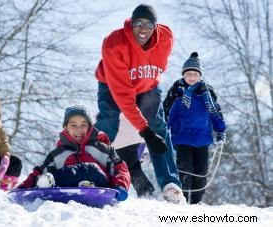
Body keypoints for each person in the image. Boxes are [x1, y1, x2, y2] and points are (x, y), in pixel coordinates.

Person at [94, 4, 184, 203]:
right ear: (131, 23)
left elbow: (158, 66)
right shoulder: (114, 43)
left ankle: (171, 185)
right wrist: (145, 132)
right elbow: (123, 95)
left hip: (146, 87)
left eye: (148, 24)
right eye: (138, 24)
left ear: (155, 26)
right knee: (108, 122)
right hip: (112, 83)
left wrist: (151, 129)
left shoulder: (166, 38)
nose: (143, 29)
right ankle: (90, 170)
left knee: (158, 126)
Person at [18, 105, 131, 202]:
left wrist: (120, 186)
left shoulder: (103, 149)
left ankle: (88, 186)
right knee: (48, 174)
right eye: (73, 125)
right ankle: (55, 184)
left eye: (83, 125)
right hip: (65, 187)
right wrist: (21, 189)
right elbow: (39, 172)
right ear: (65, 128)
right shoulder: (57, 154)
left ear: (90, 127)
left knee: (93, 169)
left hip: (99, 187)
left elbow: (120, 168)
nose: (79, 129)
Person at [163, 52, 227, 204]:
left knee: (201, 171)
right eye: (188, 73)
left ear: (200, 75)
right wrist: (164, 131)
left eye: (195, 74)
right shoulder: (177, 91)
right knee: (185, 168)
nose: (192, 77)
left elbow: (215, 113)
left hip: (202, 138)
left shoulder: (207, 92)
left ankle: (196, 202)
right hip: (182, 137)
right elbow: (167, 113)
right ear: (184, 75)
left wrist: (220, 130)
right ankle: (183, 199)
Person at [112, 114, 154, 197]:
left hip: (124, 136)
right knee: (131, 165)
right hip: (132, 134)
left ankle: (145, 191)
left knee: (130, 166)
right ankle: (145, 190)